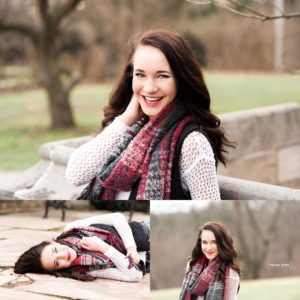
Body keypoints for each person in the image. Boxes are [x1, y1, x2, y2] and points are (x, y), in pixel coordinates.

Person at [66, 29, 234, 200]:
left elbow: (208, 204)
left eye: (162, 76)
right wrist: (126, 118)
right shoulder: (127, 128)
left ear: (181, 80)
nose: (149, 88)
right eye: (140, 75)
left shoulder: (193, 143)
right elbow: (75, 175)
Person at [14, 213, 149, 282]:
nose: (63, 255)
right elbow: (135, 275)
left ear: (53, 243)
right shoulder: (86, 269)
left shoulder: (72, 229)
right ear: (58, 269)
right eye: (57, 262)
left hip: (143, 231)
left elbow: (117, 218)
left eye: (55, 250)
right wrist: (103, 248)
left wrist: (131, 248)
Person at [179, 221, 240, 300]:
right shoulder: (192, 264)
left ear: (222, 243)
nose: (208, 248)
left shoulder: (231, 273)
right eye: (204, 242)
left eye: (214, 242)